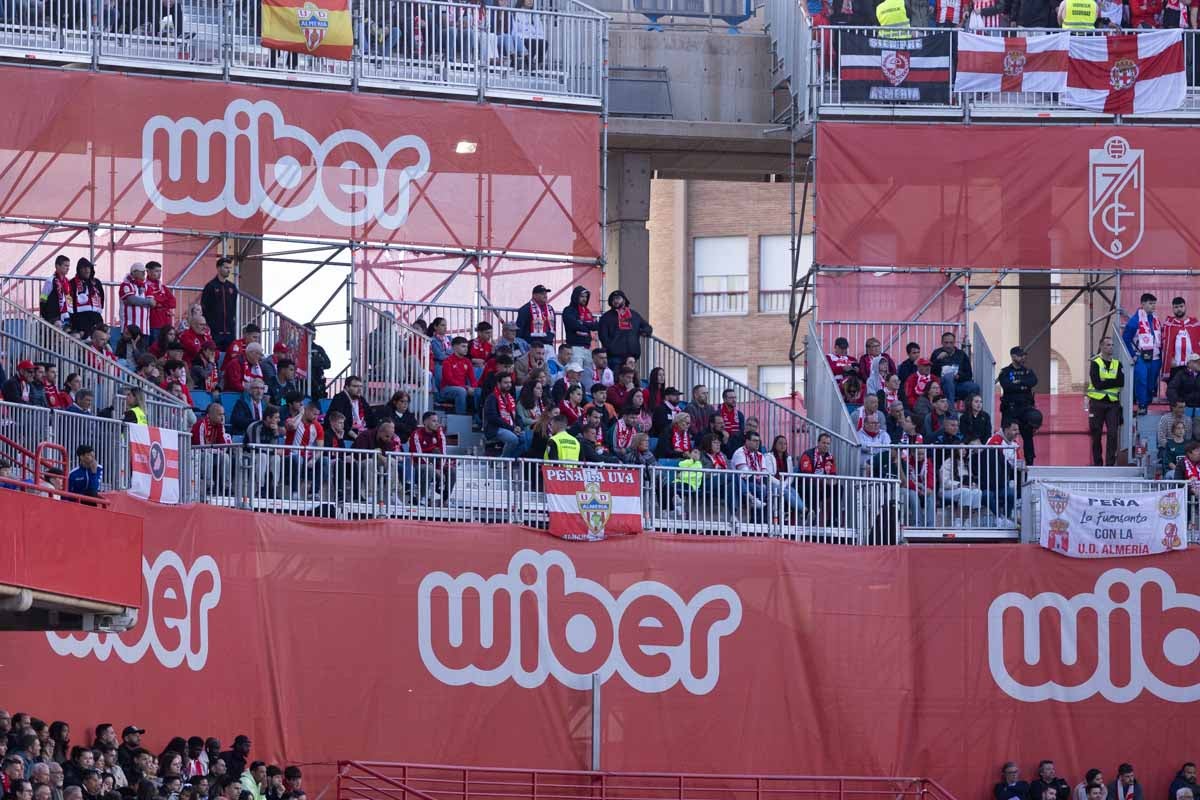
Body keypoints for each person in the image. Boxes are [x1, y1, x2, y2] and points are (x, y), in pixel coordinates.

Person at [1086, 336, 1125, 467]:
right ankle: (1098, 463)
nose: (1111, 347)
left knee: (1113, 433)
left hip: (1112, 404)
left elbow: (1121, 382)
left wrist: (1105, 382)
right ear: (1101, 346)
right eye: (1108, 345)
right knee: (1096, 433)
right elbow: (1097, 384)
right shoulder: (1095, 362)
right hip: (1096, 402)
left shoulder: (1117, 363)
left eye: (1112, 345)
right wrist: (1112, 382)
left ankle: (1109, 464)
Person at [1122, 293, 1162, 415]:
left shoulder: (1156, 319)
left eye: (1154, 303)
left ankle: (1147, 402)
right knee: (1142, 381)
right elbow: (1126, 339)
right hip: (1141, 357)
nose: (1153, 306)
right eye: (1150, 303)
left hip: (1155, 357)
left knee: (1151, 383)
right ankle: (1142, 404)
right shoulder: (1135, 320)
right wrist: (1133, 355)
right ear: (1143, 304)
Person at [999, 346, 1039, 465]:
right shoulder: (1005, 372)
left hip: (1025, 409)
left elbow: (1033, 382)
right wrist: (1023, 385)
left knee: (1028, 437)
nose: (1023, 358)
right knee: (1007, 437)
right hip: (1010, 409)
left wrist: (1018, 383)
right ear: (1013, 356)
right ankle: (1004, 462)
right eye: (1020, 355)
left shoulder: (1028, 371)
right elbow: (1007, 386)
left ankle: (1030, 463)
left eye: (1024, 355)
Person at [409, 412, 455, 504]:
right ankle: (423, 497)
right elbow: (419, 456)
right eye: (434, 421)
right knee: (428, 468)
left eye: (437, 421)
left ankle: (445, 499)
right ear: (425, 422)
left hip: (436, 465)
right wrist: (435, 469)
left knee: (452, 470)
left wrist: (440, 468)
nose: (437, 423)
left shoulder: (439, 433)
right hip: (418, 464)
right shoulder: (416, 434)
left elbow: (443, 454)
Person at [598, 289, 652, 366]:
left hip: (631, 356)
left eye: (618, 298)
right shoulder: (606, 317)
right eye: (613, 299)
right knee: (616, 377)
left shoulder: (634, 315)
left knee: (630, 377)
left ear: (624, 300)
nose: (615, 301)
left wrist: (643, 331)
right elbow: (603, 336)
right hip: (614, 357)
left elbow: (647, 327)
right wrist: (611, 348)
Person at [201, 257, 239, 351]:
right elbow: (204, 307)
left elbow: (233, 307)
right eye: (226, 267)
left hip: (229, 331)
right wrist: (209, 324)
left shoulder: (232, 287)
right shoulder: (211, 286)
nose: (228, 270)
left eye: (229, 268)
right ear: (218, 268)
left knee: (230, 356)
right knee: (215, 355)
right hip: (215, 330)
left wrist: (232, 322)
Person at [483, 373, 523, 458]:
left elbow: (517, 416)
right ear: (498, 383)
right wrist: (512, 428)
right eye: (505, 383)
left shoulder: (510, 398)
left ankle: (512, 460)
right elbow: (493, 418)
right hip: (495, 428)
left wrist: (519, 426)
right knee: (513, 439)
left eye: (510, 382)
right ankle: (503, 460)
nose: (509, 385)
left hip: (511, 427)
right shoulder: (492, 397)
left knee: (526, 439)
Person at [436, 336, 476, 415]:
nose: (466, 349)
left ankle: (477, 419)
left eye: (467, 347)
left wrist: (474, 388)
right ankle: (461, 417)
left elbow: (472, 378)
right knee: (461, 391)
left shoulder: (467, 361)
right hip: (446, 389)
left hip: (463, 388)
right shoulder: (448, 361)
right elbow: (449, 379)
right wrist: (465, 387)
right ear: (454, 347)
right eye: (463, 346)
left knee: (478, 392)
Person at [562, 286, 599, 368]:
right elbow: (574, 325)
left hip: (587, 348)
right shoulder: (569, 310)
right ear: (576, 296)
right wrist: (588, 327)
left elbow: (596, 326)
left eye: (586, 296)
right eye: (582, 296)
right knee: (575, 374)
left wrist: (583, 323)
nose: (584, 299)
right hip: (575, 348)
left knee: (588, 375)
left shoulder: (587, 311)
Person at [68, 259, 105, 337]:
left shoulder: (96, 282)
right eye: (84, 268)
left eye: (89, 268)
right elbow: (69, 301)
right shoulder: (72, 283)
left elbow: (102, 297)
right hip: (80, 318)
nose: (87, 270)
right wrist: (72, 317)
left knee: (102, 341)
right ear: (79, 269)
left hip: (96, 317)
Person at [328, 376, 370, 443]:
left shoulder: (361, 399)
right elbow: (340, 422)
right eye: (355, 386)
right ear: (347, 387)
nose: (359, 389)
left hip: (361, 433)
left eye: (360, 386)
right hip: (345, 435)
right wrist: (356, 437)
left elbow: (371, 416)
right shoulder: (340, 398)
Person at [515, 284, 556, 349]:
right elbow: (520, 329)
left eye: (546, 293)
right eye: (542, 293)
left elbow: (553, 327)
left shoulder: (550, 309)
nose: (545, 296)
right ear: (534, 295)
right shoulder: (526, 309)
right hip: (532, 345)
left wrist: (551, 337)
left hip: (548, 345)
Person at [40, 254, 73, 330]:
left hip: (66, 316)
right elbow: (43, 298)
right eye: (65, 266)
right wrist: (45, 315)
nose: (68, 268)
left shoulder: (67, 282)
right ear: (57, 266)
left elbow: (69, 300)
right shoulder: (50, 280)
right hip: (53, 317)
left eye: (68, 266)